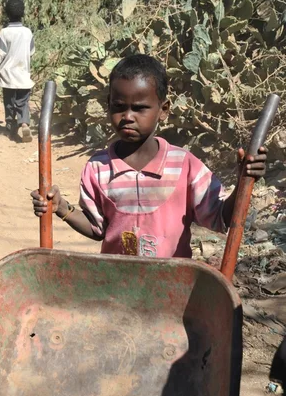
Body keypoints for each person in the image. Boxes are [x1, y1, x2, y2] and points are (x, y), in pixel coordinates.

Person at [31, 54, 267, 258]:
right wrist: (62, 208)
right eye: (119, 106)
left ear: (163, 110)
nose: (127, 116)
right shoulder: (98, 168)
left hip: (172, 287)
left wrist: (243, 181)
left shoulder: (184, 166)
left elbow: (222, 217)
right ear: (108, 105)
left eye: (140, 108)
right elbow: (98, 229)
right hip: (116, 287)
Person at [0, 0, 34, 143]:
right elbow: (31, 51)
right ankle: (25, 123)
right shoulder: (28, 32)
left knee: (9, 102)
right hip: (23, 75)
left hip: (8, 76)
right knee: (23, 101)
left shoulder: (4, 33)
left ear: (7, 14)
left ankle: (11, 127)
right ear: (22, 13)